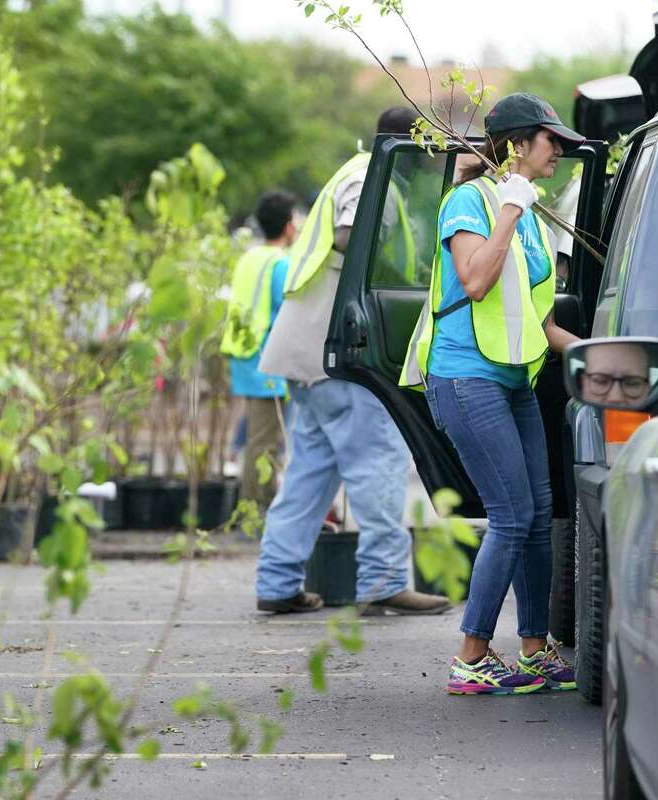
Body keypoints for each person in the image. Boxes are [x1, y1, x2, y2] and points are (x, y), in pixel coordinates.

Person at [401, 92, 584, 694]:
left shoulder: (528, 212)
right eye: (549, 139)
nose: (558, 149)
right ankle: (472, 656)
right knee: (510, 517)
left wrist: (592, 354)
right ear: (516, 144)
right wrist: (507, 209)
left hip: (515, 379)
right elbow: (477, 282)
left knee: (537, 517)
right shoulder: (470, 202)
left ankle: (533, 650)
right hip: (464, 377)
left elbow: (538, 317)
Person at [254, 107, 452, 616]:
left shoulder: (361, 171)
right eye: (428, 148)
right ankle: (384, 581)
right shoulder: (371, 176)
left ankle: (277, 582)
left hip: (311, 351)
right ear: (409, 144)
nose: (432, 161)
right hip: (340, 350)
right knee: (378, 463)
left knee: (311, 473)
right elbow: (350, 234)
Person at [221, 190, 299, 512]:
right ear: (287, 226)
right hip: (268, 360)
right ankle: (258, 513)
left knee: (257, 438)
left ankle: (256, 509)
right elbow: (292, 310)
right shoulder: (280, 264)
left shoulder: (250, 257)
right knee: (263, 444)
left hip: (245, 355)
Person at [578, 342, 651, 406]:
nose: (615, 398)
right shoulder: (582, 417)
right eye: (601, 381)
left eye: (631, 383)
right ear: (583, 383)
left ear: (648, 389)